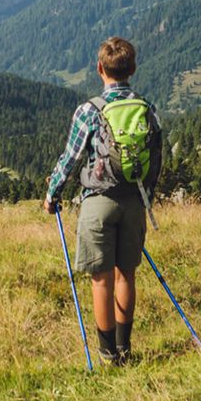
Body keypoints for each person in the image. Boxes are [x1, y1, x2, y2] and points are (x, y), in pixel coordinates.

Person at [45, 37, 161, 365]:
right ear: (132, 69)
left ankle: (109, 354)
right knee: (127, 274)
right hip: (134, 201)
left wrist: (53, 193)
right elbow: (156, 156)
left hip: (98, 200)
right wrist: (146, 197)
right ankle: (126, 348)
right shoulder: (147, 107)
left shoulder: (90, 110)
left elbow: (71, 159)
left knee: (101, 278)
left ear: (99, 69)